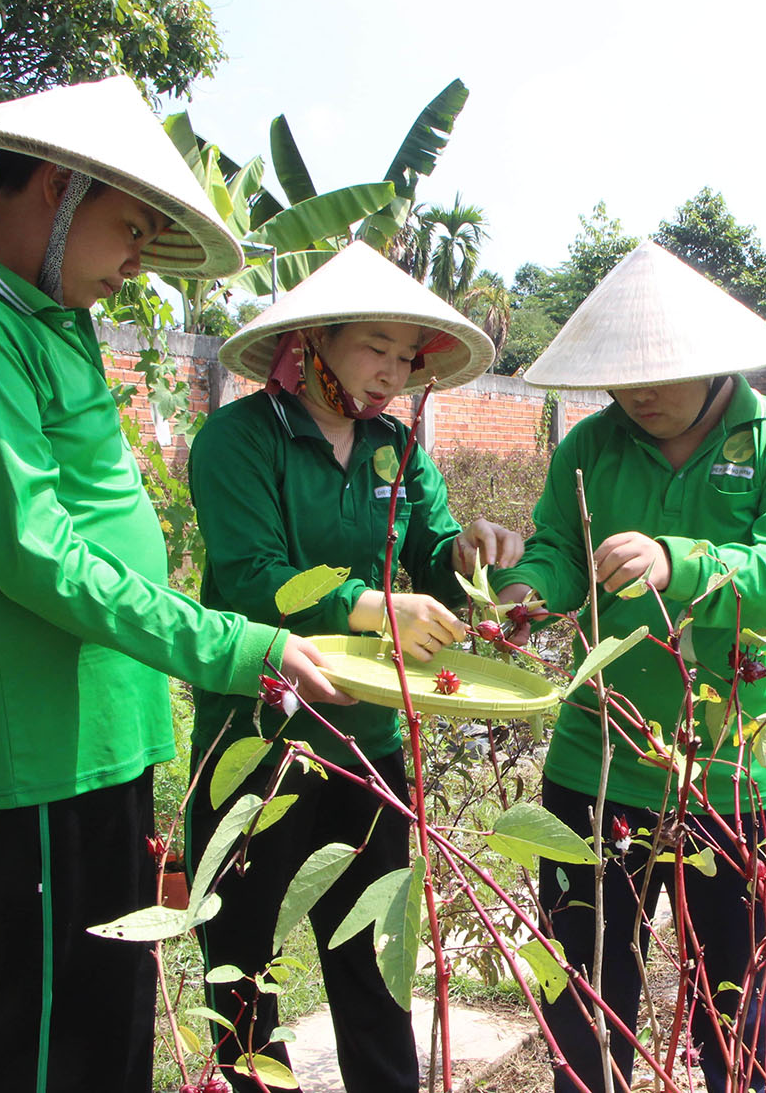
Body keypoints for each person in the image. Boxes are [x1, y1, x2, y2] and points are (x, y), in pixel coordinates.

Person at [0, 77, 349, 1093]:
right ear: (57, 189)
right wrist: (238, 644)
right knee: (52, 1028)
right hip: (40, 745)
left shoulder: (44, 320)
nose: (137, 259)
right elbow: (37, 554)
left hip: (104, 725)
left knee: (114, 1016)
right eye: (132, 229)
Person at [496, 240, 766, 1093]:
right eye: (620, 375)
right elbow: (559, 554)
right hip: (598, 766)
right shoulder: (589, 449)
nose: (637, 392)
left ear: (713, 359)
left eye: (657, 372)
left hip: (737, 775)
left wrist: (677, 561)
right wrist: (523, 588)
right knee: (585, 1000)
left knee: (742, 1010)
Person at [187, 240, 522, 1091]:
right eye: (375, 346)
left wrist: (476, 553)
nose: (392, 373)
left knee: (376, 960)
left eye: (407, 357)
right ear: (316, 338)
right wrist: (376, 607)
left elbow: (434, 551)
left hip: (370, 737)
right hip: (260, 739)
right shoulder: (237, 440)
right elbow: (255, 577)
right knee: (243, 963)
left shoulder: (395, 449)